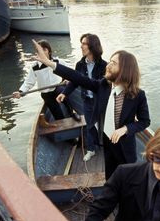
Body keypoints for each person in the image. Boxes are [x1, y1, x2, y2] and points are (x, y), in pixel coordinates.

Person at [32, 39, 150, 179]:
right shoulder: (103, 86)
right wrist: (50, 63)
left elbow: (144, 121)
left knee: (128, 178)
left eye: (114, 63)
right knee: (110, 178)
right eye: (110, 61)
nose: (108, 65)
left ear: (125, 69)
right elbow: (78, 77)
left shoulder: (138, 95)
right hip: (106, 142)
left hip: (125, 147)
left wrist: (126, 129)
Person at [57, 33, 107, 161]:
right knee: (90, 125)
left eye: (84, 44)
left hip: (101, 101)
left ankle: (105, 145)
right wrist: (64, 93)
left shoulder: (104, 65)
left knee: (105, 125)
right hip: (87, 100)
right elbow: (75, 81)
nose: (81, 46)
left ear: (92, 46)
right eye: (82, 43)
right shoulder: (80, 65)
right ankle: (91, 149)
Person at [12, 39, 76, 120]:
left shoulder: (57, 62)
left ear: (49, 51)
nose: (42, 52)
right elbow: (28, 82)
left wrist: (68, 79)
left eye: (44, 49)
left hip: (58, 88)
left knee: (62, 92)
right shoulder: (35, 67)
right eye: (39, 50)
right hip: (46, 93)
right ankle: (61, 121)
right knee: (58, 116)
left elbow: (70, 72)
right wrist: (20, 92)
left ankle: (72, 113)